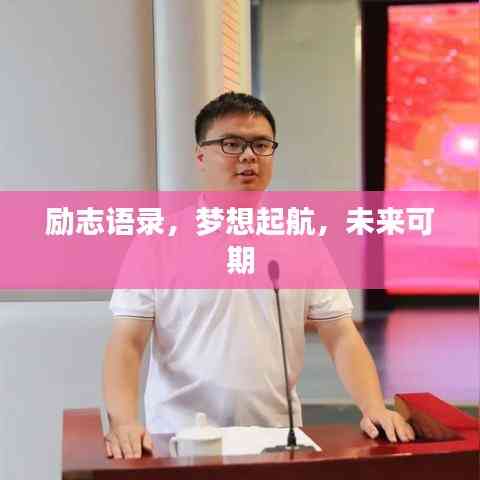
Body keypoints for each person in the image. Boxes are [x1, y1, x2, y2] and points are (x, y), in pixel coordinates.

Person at [103, 92, 415, 459]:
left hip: (277, 440)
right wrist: (123, 421)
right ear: (200, 156)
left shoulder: (300, 239)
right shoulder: (157, 242)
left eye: (261, 145)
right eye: (232, 144)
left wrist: (374, 406)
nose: (249, 156)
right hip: (180, 439)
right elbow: (128, 341)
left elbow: (341, 334)